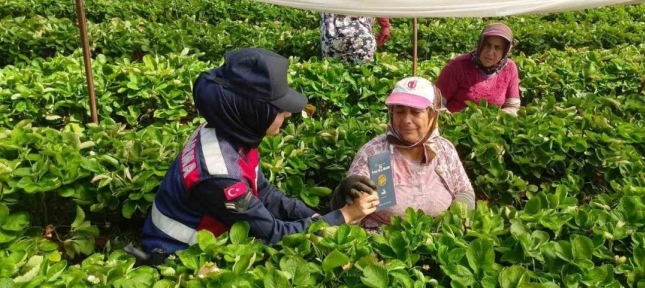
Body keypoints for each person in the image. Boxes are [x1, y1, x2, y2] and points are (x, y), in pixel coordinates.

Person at [142, 48, 378, 254]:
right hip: (182, 255)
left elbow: (264, 192)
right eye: (279, 109)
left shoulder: (230, 134)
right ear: (252, 111)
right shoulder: (219, 175)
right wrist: (344, 216)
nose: (287, 114)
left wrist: (313, 217)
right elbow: (273, 234)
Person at [331, 77, 475, 230]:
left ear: (432, 115)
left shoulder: (444, 150)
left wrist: (455, 219)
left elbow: (464, 190)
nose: (407, 120)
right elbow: (348, 211)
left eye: (416, 112)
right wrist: (344, 191)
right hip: (383, 244)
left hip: (439, 240)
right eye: (399, 111)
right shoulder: (374, 153)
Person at [436, 23, 521, 115]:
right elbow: (436, 102)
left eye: (497, 48)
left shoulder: (510, 68)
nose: (490, 52)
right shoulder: (458, 65)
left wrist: (495, 120)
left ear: (505, 51)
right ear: (480, 45)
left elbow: (512, 106)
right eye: (487, 45)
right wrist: (452, 120)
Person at [320, 13, 391, 63]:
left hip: (331, 36)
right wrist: (385, 25)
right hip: (362, 37)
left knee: (333, 73)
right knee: (363, 76)